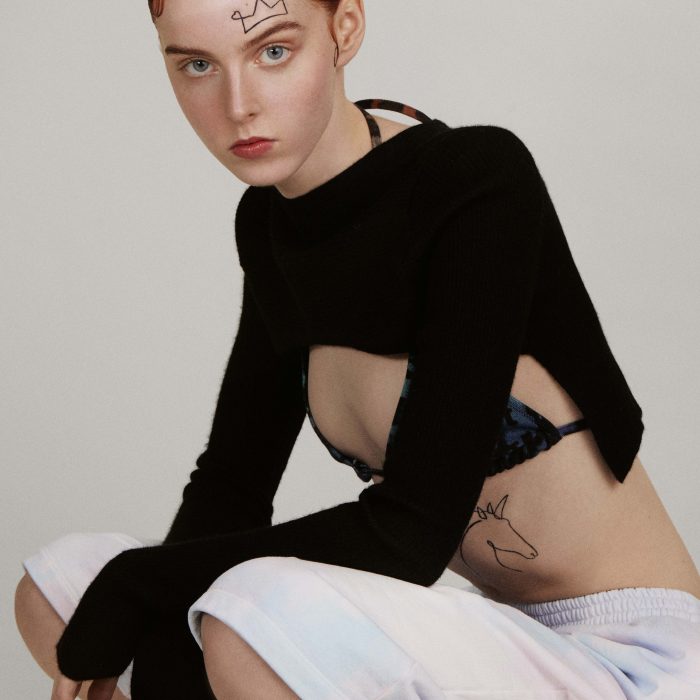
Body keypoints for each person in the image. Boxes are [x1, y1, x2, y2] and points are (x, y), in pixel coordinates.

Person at [14, 0, 700, 698]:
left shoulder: (474, 182)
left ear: (344, 29)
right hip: (484, 638)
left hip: (632, 660)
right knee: (62, 587)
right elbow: (232, 486)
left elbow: (412, 535)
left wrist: (144, 587)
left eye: (273, 51)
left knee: (247, 616)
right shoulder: (270, 227)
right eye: (197, 65)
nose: (238, 106)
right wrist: (154, 620)